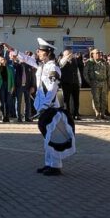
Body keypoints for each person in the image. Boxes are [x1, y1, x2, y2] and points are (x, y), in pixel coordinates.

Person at [17, 39, 76, 176]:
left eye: (40, 51)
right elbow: (27, 59)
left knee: (52, 137)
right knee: (47, 137)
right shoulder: (42, 65)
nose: (37, 52)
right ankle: (49, 163)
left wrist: (45, 106)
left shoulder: (53, 68)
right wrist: (12, 50)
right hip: (44, 108)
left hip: (51, 108)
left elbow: (52, 89)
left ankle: (55, 166)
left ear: (48, 53)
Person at [84, 49, 110, 119]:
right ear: (92, 54)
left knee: (104, 99)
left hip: (104, 83)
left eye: (99, 53)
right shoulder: (89, 63)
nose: (98, 54)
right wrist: (90, 82)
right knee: (96, 99)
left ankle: (103, 113)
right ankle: (97, 113)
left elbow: (109, 73)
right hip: (95, 83)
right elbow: (85, 74)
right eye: (96, 53)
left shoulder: (104, 62)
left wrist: (109, 83)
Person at [59, 49, 82, 120]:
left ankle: (76, 113)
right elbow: (61, 64)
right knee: (66, 100)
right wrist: (66, 57)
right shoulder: (61, 61)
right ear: (64, 55)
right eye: (68, 54)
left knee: (76, 100)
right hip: (66, 83)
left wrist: (79, 82)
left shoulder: (74, 61)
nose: (70, 55)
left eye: (71, 54)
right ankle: (67, 114)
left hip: (75, 83)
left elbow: (77, 72)